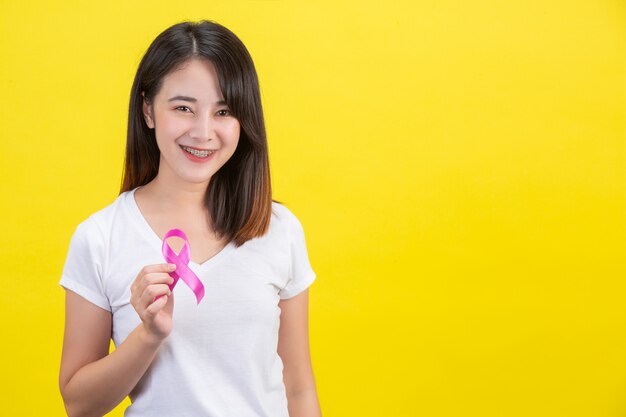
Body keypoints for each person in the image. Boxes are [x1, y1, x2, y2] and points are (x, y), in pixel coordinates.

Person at [58, 20, 322, 417]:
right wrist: (149, 334)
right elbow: (78, 404)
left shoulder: (278, 230)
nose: (203, 132)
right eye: (183, 107)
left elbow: (298, 389)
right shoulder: (99, 238)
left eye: (224, 111)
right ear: (148, 109)